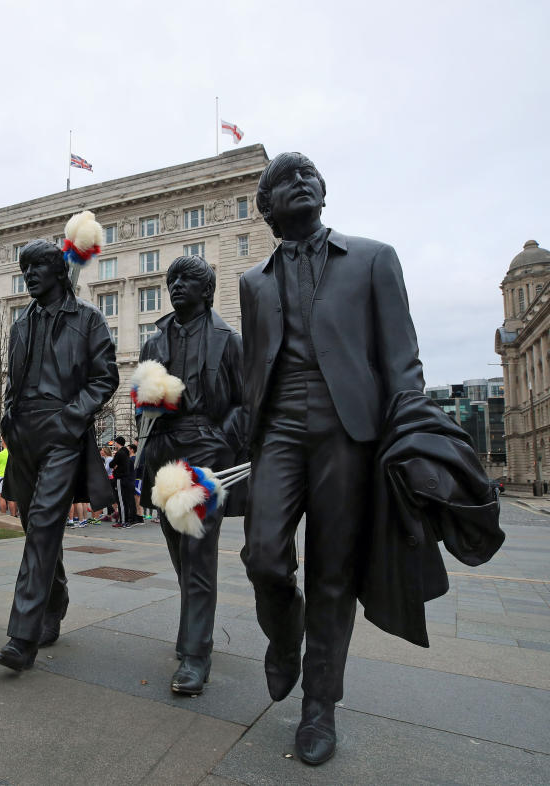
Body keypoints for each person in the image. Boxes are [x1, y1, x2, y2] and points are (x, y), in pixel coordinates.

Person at [238, 152, 426, 765]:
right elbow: (254, 368)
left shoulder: (374, 259)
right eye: (283, 179)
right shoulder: (253, 283)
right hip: (280, 428)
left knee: (332, 569)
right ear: (265, 209)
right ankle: (285, 633)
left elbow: (401, 359)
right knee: (263, 553)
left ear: (324, 191)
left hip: (350, 427)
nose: (300, 181)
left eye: (308, 173)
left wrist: (410, 434)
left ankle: (319, 705)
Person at [0, 238, 118, 670]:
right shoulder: (19, 324)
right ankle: (55, 596)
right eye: (25, 268)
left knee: (45, 525)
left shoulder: (88, 319)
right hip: (23, 433)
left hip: (62, 431)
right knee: (35, 527)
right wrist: (8, 417)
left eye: (38, 267)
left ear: (59, 271)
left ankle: (21, 637)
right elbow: (13, 380)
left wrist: (72, 417)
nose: (29, 275)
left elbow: (106, 378)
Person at [138, 253, 246, 696]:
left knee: (198, 552)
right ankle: (194, 630)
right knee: (178, 550)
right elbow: (142, 404)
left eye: (187, 279)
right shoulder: (153, 341)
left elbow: (245, 400)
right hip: (164, 448)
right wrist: (149, 398)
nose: (176, 285)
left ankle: (196, 654)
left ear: (207, 290)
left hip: (206, 446)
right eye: (172, 279)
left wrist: (223, 440)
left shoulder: (228, 340)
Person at [109, 436, 138, 528]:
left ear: (118, 443)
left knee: (121, 501)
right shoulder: (126, 452)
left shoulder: (120, 453)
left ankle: (123, 521)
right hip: (126, 478)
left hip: (120, 478)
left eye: (115, 443)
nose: (114, 444)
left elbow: (111, 464)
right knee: (125, 500)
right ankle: (125, 520)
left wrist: (115, 465)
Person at [0, 437, 17, 516]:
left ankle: (3, 515)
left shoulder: (0, 454)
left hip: (1, 477)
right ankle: (13, 515)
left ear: (4, 442)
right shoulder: (13, 453)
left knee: (2, 497)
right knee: (11, 497)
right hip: (12, 477)